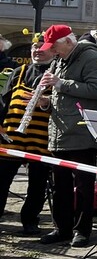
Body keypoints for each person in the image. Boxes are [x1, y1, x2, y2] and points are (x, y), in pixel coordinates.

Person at [35, 24, 97, 247]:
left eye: (55, 46)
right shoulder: (60, 59)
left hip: (82, 133)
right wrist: (46, 103)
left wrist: (60, 83)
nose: (53, 51)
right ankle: (62, 228)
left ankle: (81, 231)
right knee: (60, 186)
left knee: (85, 187)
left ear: (68, 41)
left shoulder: (91, 58)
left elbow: (96, 90)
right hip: (60, 133)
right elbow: (61, 97)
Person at [0, 31, 54, 235]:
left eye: (42, 46)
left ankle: (30, 220)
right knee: (2, 179)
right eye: (34, 46)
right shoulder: (18, 71)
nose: (37, 50)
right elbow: (3, 102)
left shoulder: (55, 74)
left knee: (37, 184)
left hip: (41, 138)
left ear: (53, 51)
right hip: (11, 137)